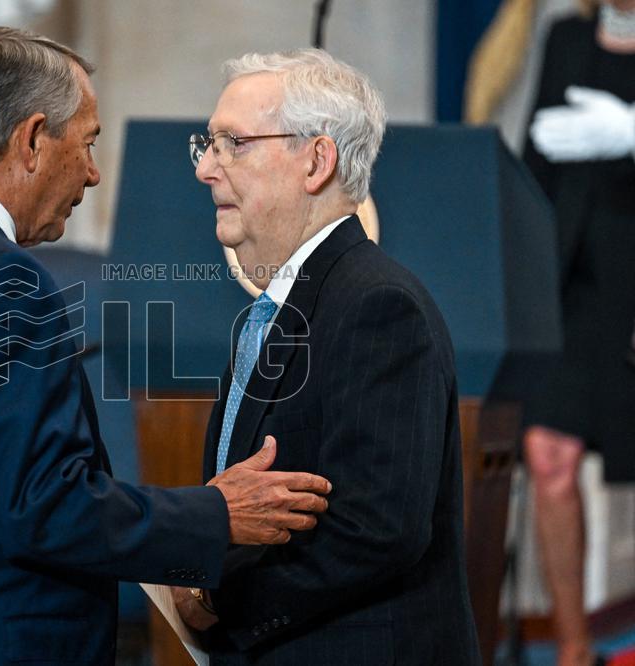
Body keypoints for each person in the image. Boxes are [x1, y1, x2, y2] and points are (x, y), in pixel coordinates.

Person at [0, 27, 333, 665]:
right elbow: (43, 506)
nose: (92, 172)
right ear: (32, 140)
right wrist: (216, 514)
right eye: (86, 143)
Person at [173, 48, 481, 664]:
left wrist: (217, 599)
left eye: (234, 144)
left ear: (316, 161)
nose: (206, 168)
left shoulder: (378, 305)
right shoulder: (278, 308)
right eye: (206, 144)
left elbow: (377, 531)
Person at [522, 1, 635, 664]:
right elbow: (536, 162)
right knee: (549, 455)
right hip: (573, 288)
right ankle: (573, 649)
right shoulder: (565, 35)